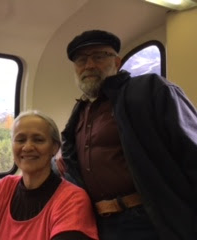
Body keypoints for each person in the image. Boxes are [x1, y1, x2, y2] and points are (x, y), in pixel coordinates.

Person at [53, 29, 197, 240]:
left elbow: (192, 151)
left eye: (99, 56)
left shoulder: (149, 90)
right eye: (81, 60)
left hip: (149, 220)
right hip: (100, 223)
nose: (89, 65)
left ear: (117, 62)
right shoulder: (81, 112)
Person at [0, 110, 99, 240]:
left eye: (38, 139)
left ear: (54, 148)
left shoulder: (72, 199)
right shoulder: (4, 187)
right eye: (20, 140)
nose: (27, 147)